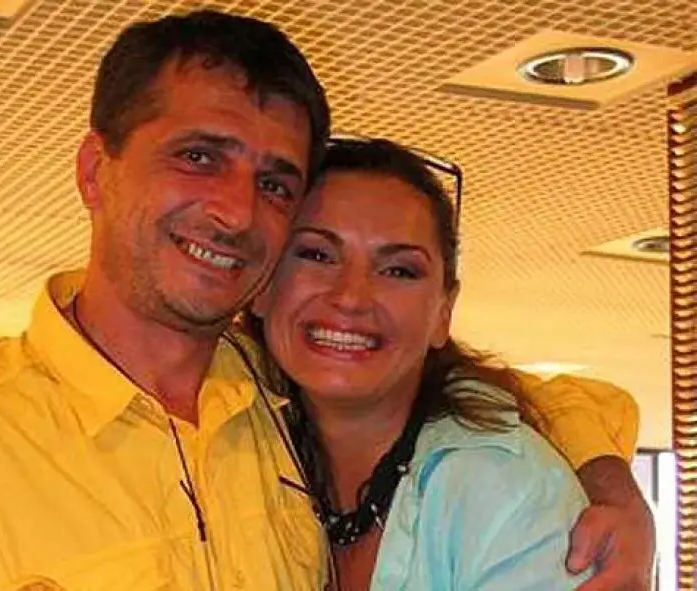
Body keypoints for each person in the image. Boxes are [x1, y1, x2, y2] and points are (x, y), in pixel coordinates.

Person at [0, 9, 652, 591]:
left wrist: (608, 483)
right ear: (96, 170)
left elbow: (531, 402)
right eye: (199, 156)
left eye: (275, 184)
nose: (236, 212)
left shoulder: (270, 395)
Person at [245, 137, 638, 589]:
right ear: (263, 284)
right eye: (317, 254)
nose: (351, 296)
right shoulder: (234, 448)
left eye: (398, 270)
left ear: (443, 314)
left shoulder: (500, 491)